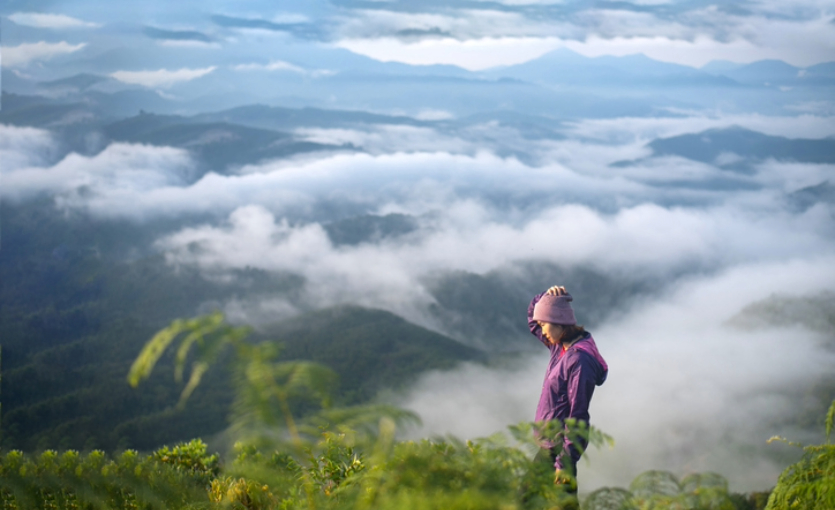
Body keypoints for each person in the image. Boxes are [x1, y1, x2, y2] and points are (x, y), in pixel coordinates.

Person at [528, 285, 608, 490]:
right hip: (550, 445)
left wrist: (566, 462)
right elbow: (532, 320)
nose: (542, 330)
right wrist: (546, 296)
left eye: (544, 324)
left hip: (559, 451)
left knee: (528, 500)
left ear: (559, 322)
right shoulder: (560, 345)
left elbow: (578, 415)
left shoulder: (579, 361)